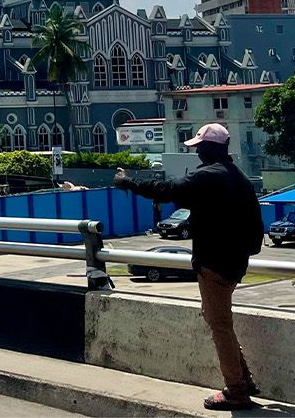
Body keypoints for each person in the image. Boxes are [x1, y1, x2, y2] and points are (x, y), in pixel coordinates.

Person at [114, 124, 263, 411]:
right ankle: (244, 379)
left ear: (209, 149)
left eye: (199, 147)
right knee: (222, 322)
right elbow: (256, 226)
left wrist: (129, 182)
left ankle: (236, 390)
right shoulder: (239, 177)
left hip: (213, 263)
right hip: (235, 263)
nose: (196, 152)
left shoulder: (207, 176)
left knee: (219, 325)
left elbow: (167, 189)